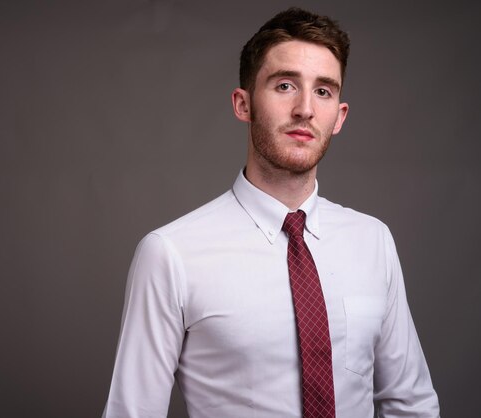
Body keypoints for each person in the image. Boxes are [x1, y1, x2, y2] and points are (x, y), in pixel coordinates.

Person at [102, 7, 439, 418]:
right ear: (243, 104)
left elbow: (411, 404)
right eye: (284, 85)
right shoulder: (170, 254)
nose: (305, 109)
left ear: (339, 116)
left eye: (323, 91)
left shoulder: (373, 241)